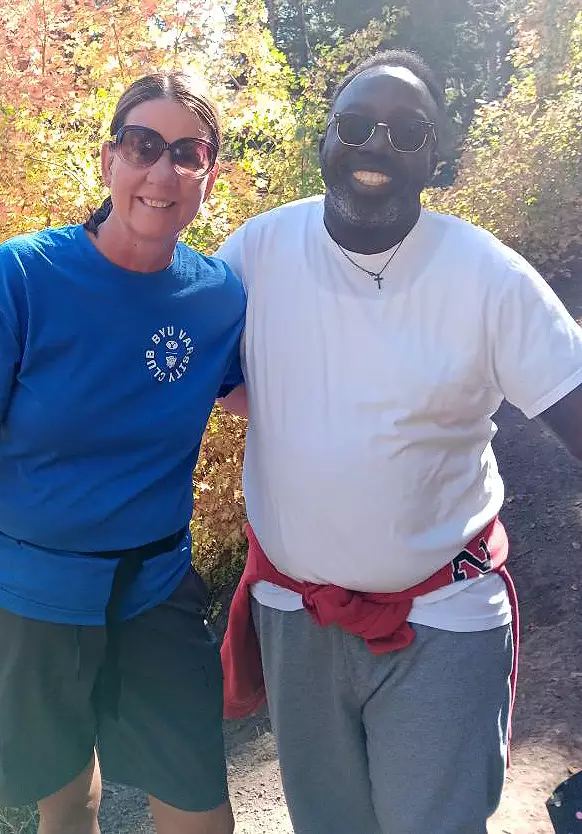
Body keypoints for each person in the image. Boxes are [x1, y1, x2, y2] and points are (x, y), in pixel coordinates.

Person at [0, 71, 244, 834]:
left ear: (208, 175)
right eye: (142, 146)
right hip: (21, 592)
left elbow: (261, 395)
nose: (161, 171)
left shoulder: (218, 298)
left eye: (186, 153)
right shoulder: (24, 275)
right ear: (109, 160)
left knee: (198, 804)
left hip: (154, 586)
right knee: (67, 800)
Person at [217, 50, 582, 834]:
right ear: (325, 137)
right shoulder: (256, 253)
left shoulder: (487, 276)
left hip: (443, 615)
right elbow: (168, 374)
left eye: (406, 130)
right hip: (296, 615)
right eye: (355, 124)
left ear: (435, 158)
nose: (376, 144)